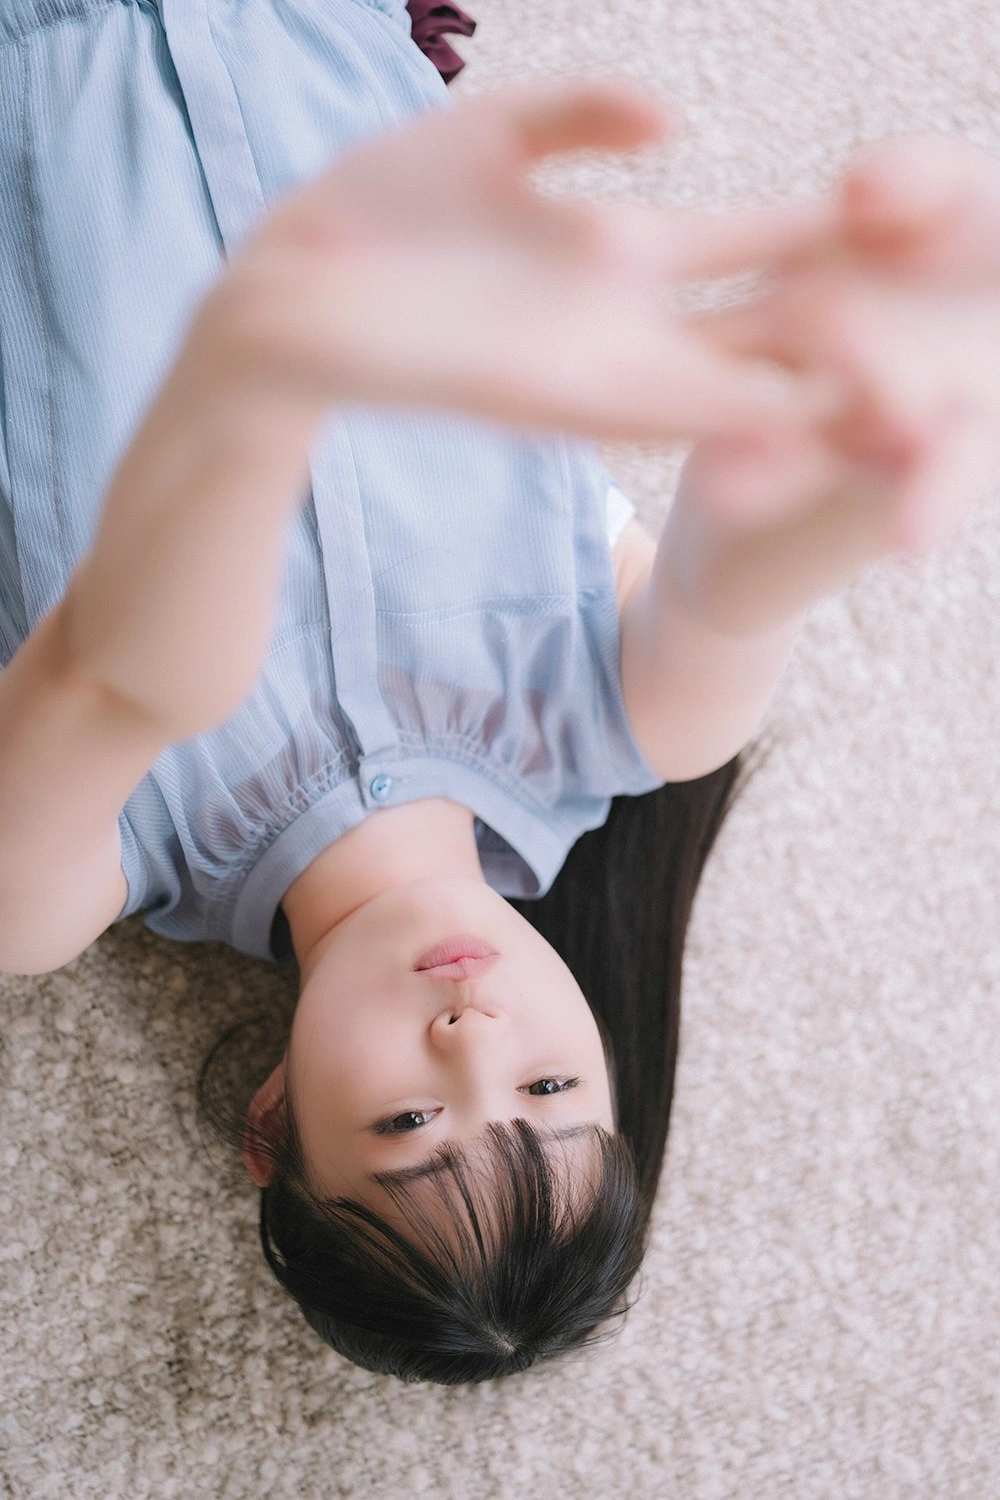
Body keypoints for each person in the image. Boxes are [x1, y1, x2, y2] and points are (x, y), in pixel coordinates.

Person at [1, 0, 998, 1385]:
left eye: (409, 1124)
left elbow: (114, 673)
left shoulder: (77, 872)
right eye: (547, 1088)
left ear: (274, 1126)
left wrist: (251, 402)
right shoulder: (623, 717)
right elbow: (746, 551)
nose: (471, 1042)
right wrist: (879, 412)